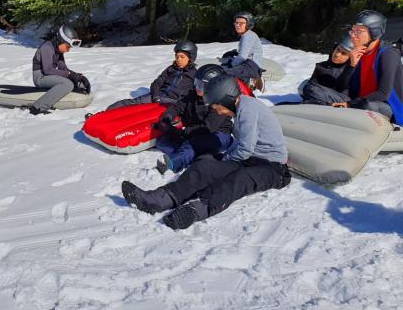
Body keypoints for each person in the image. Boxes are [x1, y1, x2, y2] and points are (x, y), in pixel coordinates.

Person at [121, 73, 291, 230]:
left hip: (272, 167)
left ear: (228, 100)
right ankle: (159, 199)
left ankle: (195, 210)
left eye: (216, 105)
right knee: (205, 166)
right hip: (248, 159)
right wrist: (219, 162)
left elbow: (246, 148)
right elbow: (243, 149)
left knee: (238, 180)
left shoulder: (248, 109)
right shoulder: (239, 109)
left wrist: (225, 161)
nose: (215, 110)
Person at [153, 64, 235, 175]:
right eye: (197, 83)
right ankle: (197, 155)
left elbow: (208, 127)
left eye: (201, 85)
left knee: (191, 145)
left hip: (218, 135)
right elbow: (178, 107)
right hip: (195, 131)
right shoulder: (193, 95)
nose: (197, 88)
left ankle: (173, 163)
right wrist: (168, 116)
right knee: (163, 141)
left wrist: (183, 132)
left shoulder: (220, 102)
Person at [335, 10, 403, 122]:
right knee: (318, 90)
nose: (353, 35)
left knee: (366, 107)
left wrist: (350, 104)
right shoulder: (360, 52)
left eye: (358, 32)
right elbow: (340, 87)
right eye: (352, 30)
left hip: (387, 107)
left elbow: (383, 94)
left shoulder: (388, 54)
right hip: (359, 100)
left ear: (374, 33)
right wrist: (351, 66)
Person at [106, 40, 197, 111]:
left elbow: (195, 95)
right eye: (177, 57)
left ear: (190, 58)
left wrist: (180, 103)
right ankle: (105, 113)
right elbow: (157, 82)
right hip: (157, 97)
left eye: (182, 57)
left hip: (173, 102)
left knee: (147, 114)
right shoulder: (171, 69)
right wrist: (156, 96)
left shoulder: (194, 74)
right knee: (134, 103)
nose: (179, 60)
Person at [29, 24, 91, 115]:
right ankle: (38, 107)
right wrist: (70, 75)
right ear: (60, 41)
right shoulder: (47, 48)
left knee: (73, 81)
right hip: (40, 77)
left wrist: (78, 76)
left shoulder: (58, 51)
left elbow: (64, 69)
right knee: (67, 83)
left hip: (49, 76)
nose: (68, 50)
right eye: (67, 47)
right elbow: (48, 70)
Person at [300, 35, 354, 106]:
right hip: (323, 95)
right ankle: (317, 103)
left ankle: (319, 104)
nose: (337, 54)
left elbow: (343, 88)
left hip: (343, 100)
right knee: (304, 86)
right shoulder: (322, 66)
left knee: (310, 88)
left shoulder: (350, 70)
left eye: (343, 53)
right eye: (338, 49)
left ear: (350, 58)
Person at [222, 11, 265, 92]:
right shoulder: (247, 35)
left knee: (224, 73)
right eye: (236, 23)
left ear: (248, 24)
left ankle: (254, 80)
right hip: (248, 65)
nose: (238, 25)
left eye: (241, 23)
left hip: (251, 67)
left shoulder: (248, 36)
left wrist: (232, 64)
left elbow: (242, 57)